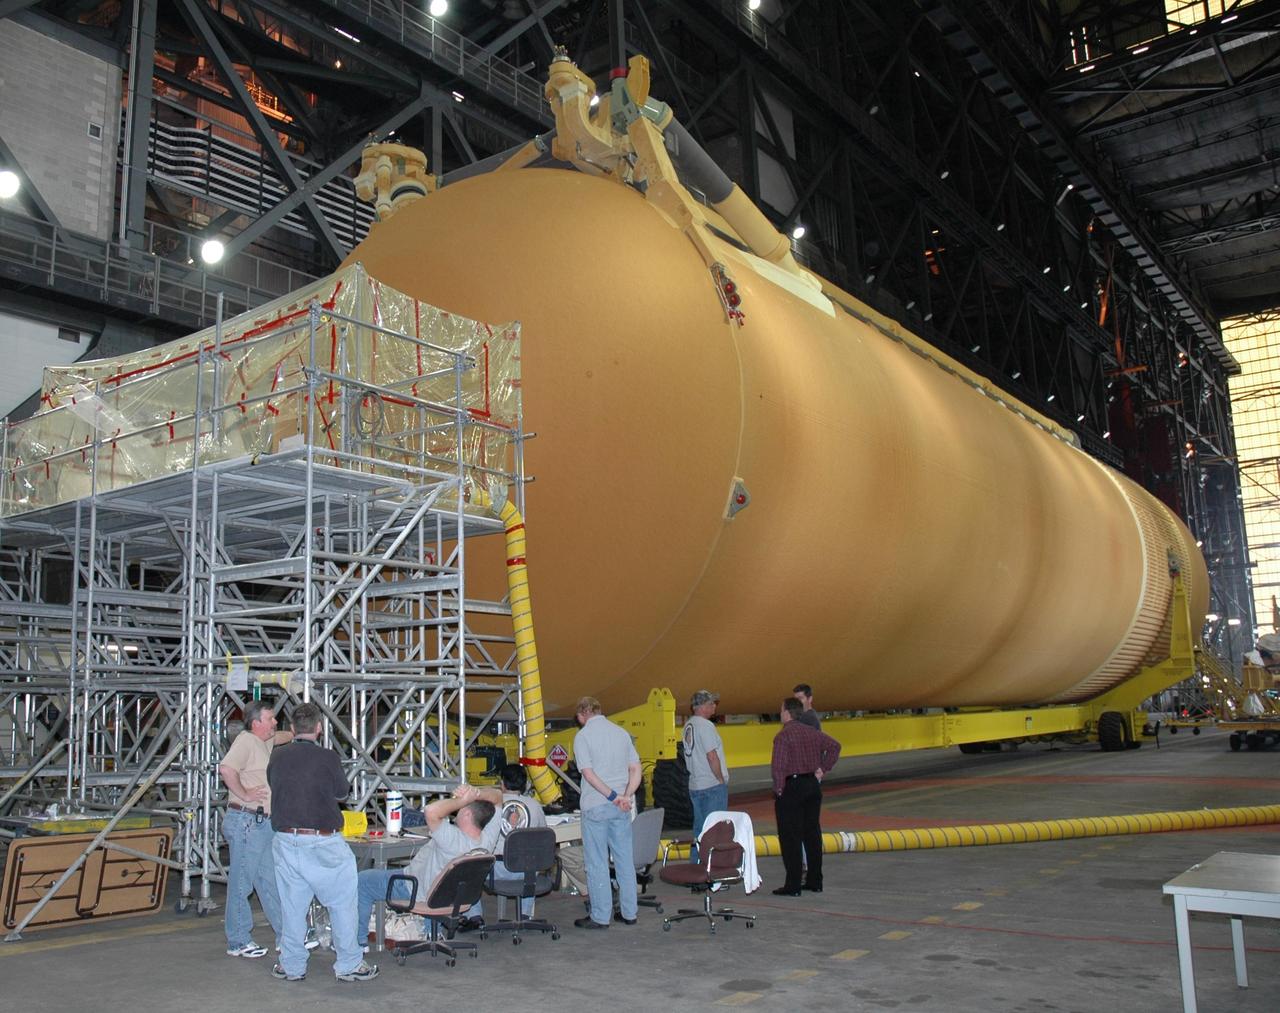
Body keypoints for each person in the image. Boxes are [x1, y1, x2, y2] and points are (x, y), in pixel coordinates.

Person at [266, 702, 378, 983]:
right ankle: (349, 963)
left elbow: (274, 784)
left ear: (291, 729)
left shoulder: (277, 756)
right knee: (342, 904)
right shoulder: (328, 757)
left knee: (292, 907)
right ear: (319, 728)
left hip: (285, 840)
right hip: (322, 842)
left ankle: (291, 966)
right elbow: (342, 792)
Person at [354, 786, 500, 951]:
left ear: (467, 814)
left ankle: (358, 943)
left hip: (415, 890)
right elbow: (498, 796)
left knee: (363, 881)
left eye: (460, 809)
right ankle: (432, 932)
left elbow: (430, 810)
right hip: (452, 897)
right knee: (433, 875)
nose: (456, 811)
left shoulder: (451, 838)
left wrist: (462, 800)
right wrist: (477, 793)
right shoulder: (487, 840)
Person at [219, 700, 291, 959]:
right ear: (256, 722)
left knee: (269, 881)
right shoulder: (246, 740)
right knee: (242, 882)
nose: (275, 722)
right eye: (271, 718)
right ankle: (238, 940)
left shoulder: (264, 741)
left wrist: (299, 731)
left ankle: (287, 935)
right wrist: (244, 793)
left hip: (261, 824)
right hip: (247, 821)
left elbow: (282, 736)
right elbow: (227, 769)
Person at [571, 696, 641, 929]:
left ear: (582, 715)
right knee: (624, 860)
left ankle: (601, 916)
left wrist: (612, 796)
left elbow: (588, 775)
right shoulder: (621, 733)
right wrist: (626, 795)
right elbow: (635, 767)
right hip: (621, 807)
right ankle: (630, 913)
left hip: (596, 805)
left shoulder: (583, 737)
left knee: (597, 862)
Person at [770, 697, 841, 897]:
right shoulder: (812, 732)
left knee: (790, 837)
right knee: (812, 835)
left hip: (792, 787)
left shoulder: (784, 736)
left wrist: (780, 790)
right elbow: (835, 746)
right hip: (811, 785)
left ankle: (793, 885)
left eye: (781, 710)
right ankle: (815, 881)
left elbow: (778, 767)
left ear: (787, 713)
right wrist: (822, 769)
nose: (780, 713)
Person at [491, 763, 549, 917]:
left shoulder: (491, 805)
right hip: (526, 872)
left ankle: (474, 917)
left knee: (468, 867)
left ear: (502, 783)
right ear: (525, 784)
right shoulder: (535, 806)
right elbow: (544, 834)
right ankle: (525, 914)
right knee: (532, 859)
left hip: (497, 871)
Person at [683, 689, 728, 857]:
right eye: (711, 704)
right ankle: (713, 873)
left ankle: (697, 867)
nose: (714, 707)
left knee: (699, 829)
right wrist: (720, 779)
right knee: (715, 830)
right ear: (702, 706)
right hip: (711, 786)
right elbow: (711, 755)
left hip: (695, 784)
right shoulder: (706, 726)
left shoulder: (689, 725)